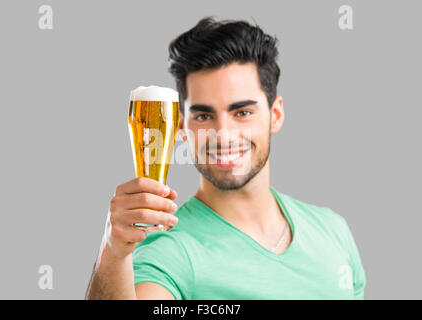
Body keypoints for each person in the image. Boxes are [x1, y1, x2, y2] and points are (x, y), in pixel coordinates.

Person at [85, 16, 367, 300]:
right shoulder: (170, 251)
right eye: (205, 116)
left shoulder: (333, 231)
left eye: (242, 112)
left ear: (275, 115)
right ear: (181, 127)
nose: (223, 135)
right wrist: (113, 252)